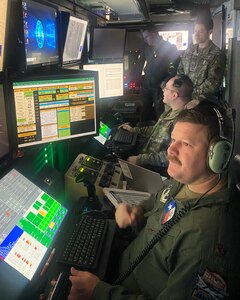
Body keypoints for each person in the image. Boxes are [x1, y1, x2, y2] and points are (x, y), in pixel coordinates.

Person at [67, 101, 240, 300]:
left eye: (186, 144)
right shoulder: (185, 180)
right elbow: (158, 206)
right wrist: (137, 212)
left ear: (218, 156)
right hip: (123, 268)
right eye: (173, 139)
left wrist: (98, 292)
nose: (170, 151)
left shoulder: (208, 242)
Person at [119, 74, 193, 176]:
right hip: (146, 157)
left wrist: (139, 159)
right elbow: (156, 130)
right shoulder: (170, 111)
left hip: (155, 170)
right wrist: (134, 130)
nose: (163, 90)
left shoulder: (183, 123)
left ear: (174, 95)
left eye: (166, 88)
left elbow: (171, 156)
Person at [130, 23, 180, 120]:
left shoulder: (169, 47)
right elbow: (139, 65)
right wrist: (133, 80)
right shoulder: (146, 47)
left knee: (160, 114)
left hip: (160, 87)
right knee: (144, 113)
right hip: (146, 86)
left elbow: (177, 67)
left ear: (154, 34)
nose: (145, 39)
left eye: (146, 37)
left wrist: (167, 80)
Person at [177, 15, 226, 101]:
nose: (196, 34)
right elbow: (180, 71)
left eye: (201, 31)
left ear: (209, 32)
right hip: (183, 97)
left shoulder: (217, 54)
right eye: (195, 31)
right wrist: (180, 89)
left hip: (202, 101)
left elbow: (212, 84)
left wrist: (189, 94)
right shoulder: (190, 50)